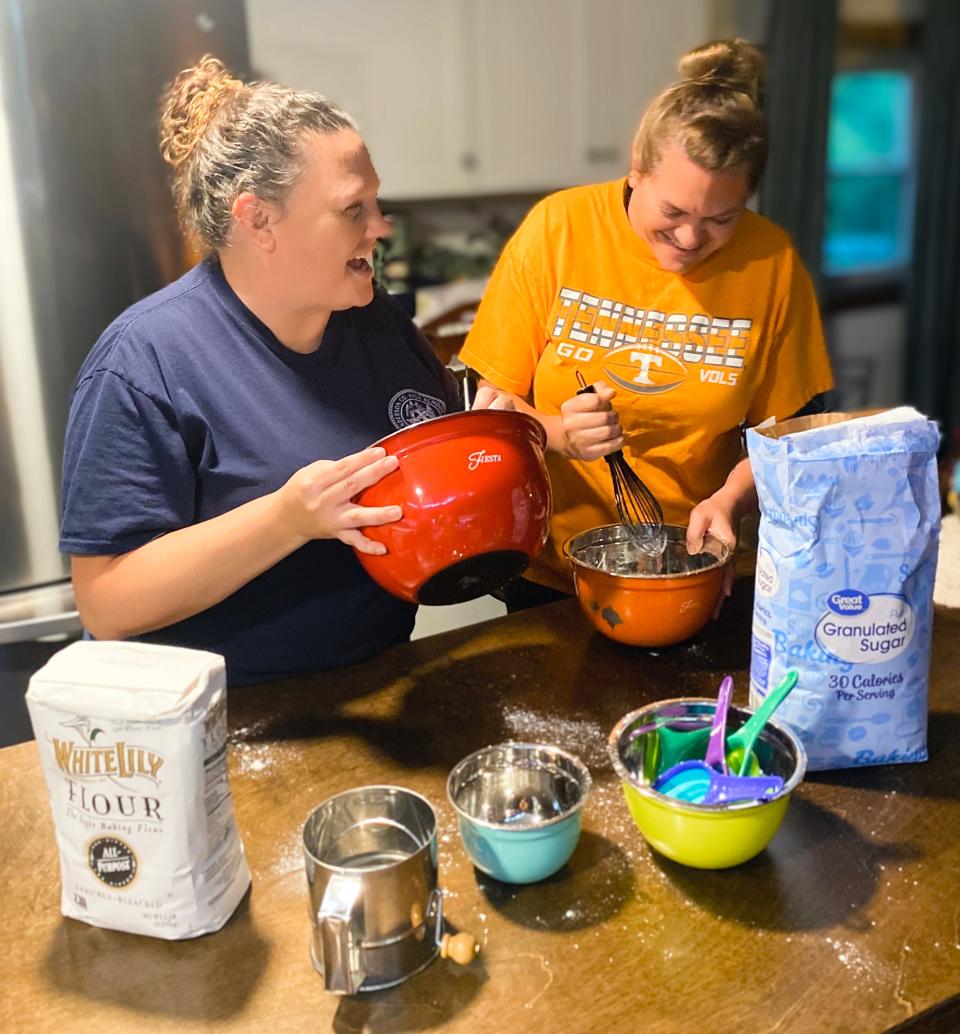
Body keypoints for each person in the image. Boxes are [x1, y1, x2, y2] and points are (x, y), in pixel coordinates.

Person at [60, 56, 507, 685]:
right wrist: (286, 520)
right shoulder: (143, 362)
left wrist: (486, 444)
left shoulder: (378, 324)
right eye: (354, 209)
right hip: (223, 722)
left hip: (385, 686)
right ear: (258, 220)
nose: (380, 228)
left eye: (376, 203)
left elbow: (419, 493)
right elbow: (105, 604)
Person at [458, 38, 834, 611]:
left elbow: (785, 431)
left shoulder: (771, 261)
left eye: (721, 219)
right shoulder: (558, 229)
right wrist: (558, 433)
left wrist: (730, 499)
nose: (690, 239)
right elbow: (489, 405)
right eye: (674, 212)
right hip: (556, 569)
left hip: (695, 561)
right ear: (637, 164)